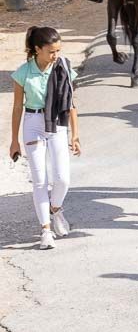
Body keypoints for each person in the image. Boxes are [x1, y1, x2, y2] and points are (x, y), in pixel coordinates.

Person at [9, 27, 80, 251]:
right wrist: (14, 140)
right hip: (33, 123)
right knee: (40, 180)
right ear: (37, 49)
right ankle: (45, 230)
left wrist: (75, 134)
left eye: (58, 50)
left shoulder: (64, 67)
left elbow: (70, 102)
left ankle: (55, 208)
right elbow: (18, 107)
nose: (55, 55)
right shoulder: (23, 73)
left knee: (63, 179)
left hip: (57, 123)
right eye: (51, 51)